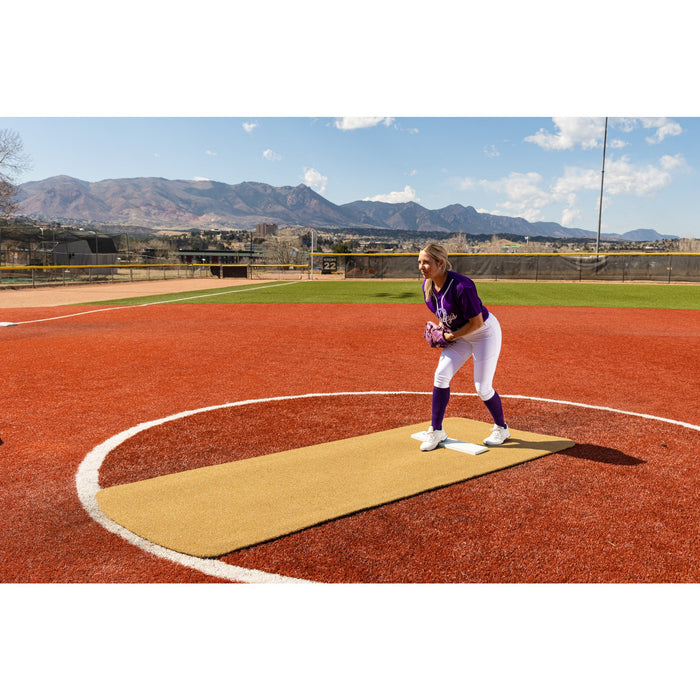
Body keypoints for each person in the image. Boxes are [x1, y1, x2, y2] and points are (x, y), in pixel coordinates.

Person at [417, 243, 509, 451]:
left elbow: (477, 323)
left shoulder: (462, 286)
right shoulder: (428, 286)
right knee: (441, 376)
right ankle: (436, 430)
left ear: (440, 263)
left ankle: (502, 428)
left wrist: (450, 335)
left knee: (482, 388)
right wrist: (442, 330)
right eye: (420, 262)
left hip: (484, 334)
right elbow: (444, 315)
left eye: (426, 262)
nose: (422, 267)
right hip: (459, 334)